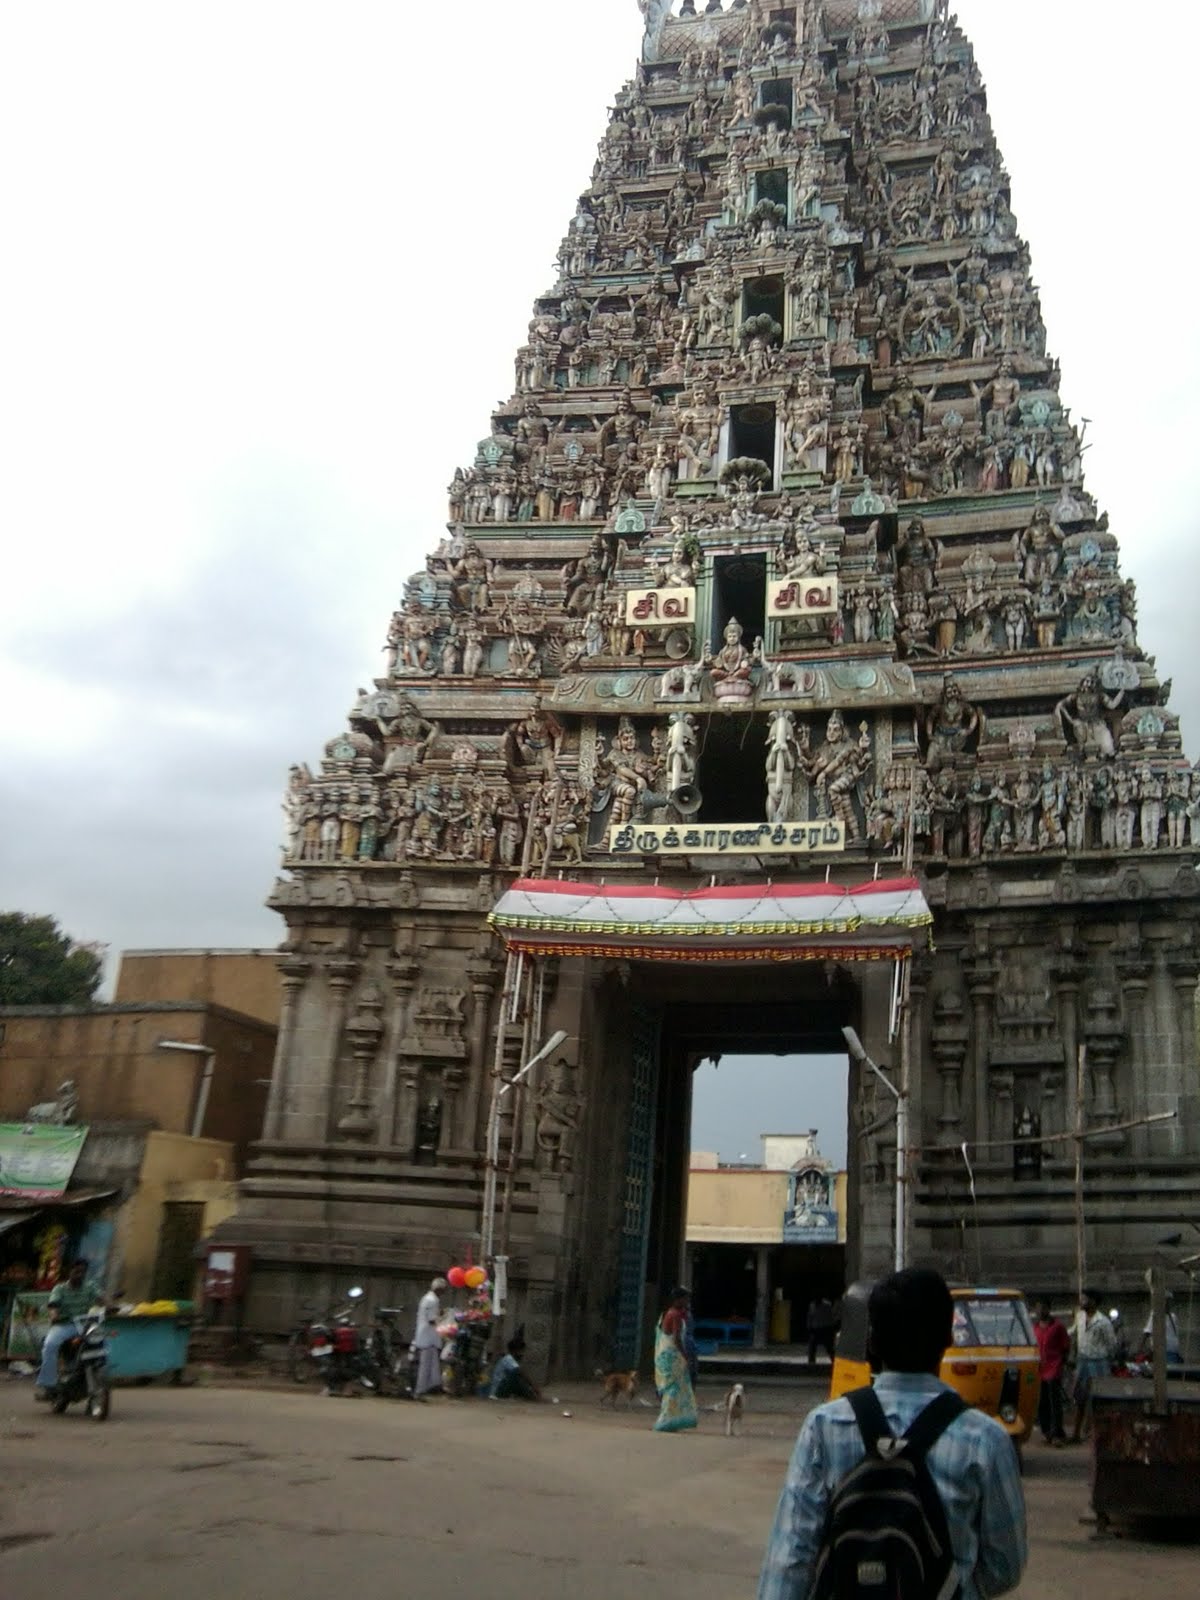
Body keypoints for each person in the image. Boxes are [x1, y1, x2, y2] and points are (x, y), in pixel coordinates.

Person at [758, 1269, 1027, 1600]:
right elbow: (1005, 1566)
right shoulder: (986, 1439)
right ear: (948, 1338)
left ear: (872, 1342)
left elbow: (791, 1558)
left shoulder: (824, 1426)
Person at [36, 1258, 101, 1399]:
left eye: (83, 1272)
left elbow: (100, 1298)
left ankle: (100, 1374)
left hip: (85, 1325)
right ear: (69, 1272)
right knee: (50, 1345)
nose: (80, 1274)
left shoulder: (90, 1287)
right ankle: (47, 1384)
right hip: (64, 1325)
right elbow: (53, 1304)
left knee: (103, 1342)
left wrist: (111, 1305)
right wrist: (54, 1315)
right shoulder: (59, 1289)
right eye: (77, 1271)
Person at [1070, 1289, 1116, 1443]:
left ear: (1093, 1302)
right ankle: (1076, 1433)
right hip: (1082, 1360)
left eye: (1085, 1299)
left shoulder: (1103, 1322)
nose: (1081, 1302)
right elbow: (1074, 1333)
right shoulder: (1080, 1317)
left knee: (1097, 1400)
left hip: (1098, 1362)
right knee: (1079, 1398)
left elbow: (1111, 1344)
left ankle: (1091, 1432)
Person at [653, 1287, 698, 1433]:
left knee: (670, 1389)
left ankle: (670, 1420)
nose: (687, 1302)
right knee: (673, 1389)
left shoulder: (668, 1313)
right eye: (685, 1299)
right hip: (672, 1357)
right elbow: (677, 1339)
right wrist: (686, 1357)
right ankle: (666, 1420)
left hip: (665, 1355)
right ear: (678, 1299)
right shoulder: (676, 1315)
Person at [1033, 1299, 1069, 1446]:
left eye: (1043, 1308)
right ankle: (1047, 1431)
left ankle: (1057, 1433)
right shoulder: (1034, 1328)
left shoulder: (1058, 1327)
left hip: (1053, 1368)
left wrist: (1062, 1363)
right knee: (1042, 1402)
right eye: (1038, 1308)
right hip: (1039, 1369)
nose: (1040, 1311)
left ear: (1048, 1309)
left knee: (1054, 1402)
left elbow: (1065, 1347)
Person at [411, 1276, 447, 1398]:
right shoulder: (433, 1300)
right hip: (428, 1336)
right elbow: (432, 1319)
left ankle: (429, 1387)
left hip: (426, 1334)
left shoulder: (427, 1298)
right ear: (438, 1289)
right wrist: (443, 1322)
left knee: (430, 1364)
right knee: (426, 1365)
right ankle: (420, 1390)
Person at [489, 1336, 542, 1401]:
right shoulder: (508, 1359)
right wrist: (533, 1386)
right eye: (521, 1351)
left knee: (517, 1378)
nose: (523, 1354)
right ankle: (532, 1398)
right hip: (497, 1391)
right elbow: (520, 1372)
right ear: (515, 1351)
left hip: (499, 1389)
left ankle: (531, 1397)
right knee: (516, 1375)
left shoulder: (509, 1359)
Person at [1136, 1296, 1183, 1364]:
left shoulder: (1173, 1317)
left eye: (1168, 1302)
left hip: (1172, 1351)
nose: (1167, 1304)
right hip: (1160, 1352)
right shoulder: (1155, 1315)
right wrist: (1139, 1350)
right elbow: (1147, 1332)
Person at [806, 1296, 838, 1367]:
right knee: (812, 1346)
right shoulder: (812, 1305)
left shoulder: (827, 1305)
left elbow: (831, 1316)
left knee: (829, 1347)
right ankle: (811, 1362)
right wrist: (809, 1326)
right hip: (816, 1329)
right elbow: (810, 1316)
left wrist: (832, 1327)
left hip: (825, 1328)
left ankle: (835, 1362)